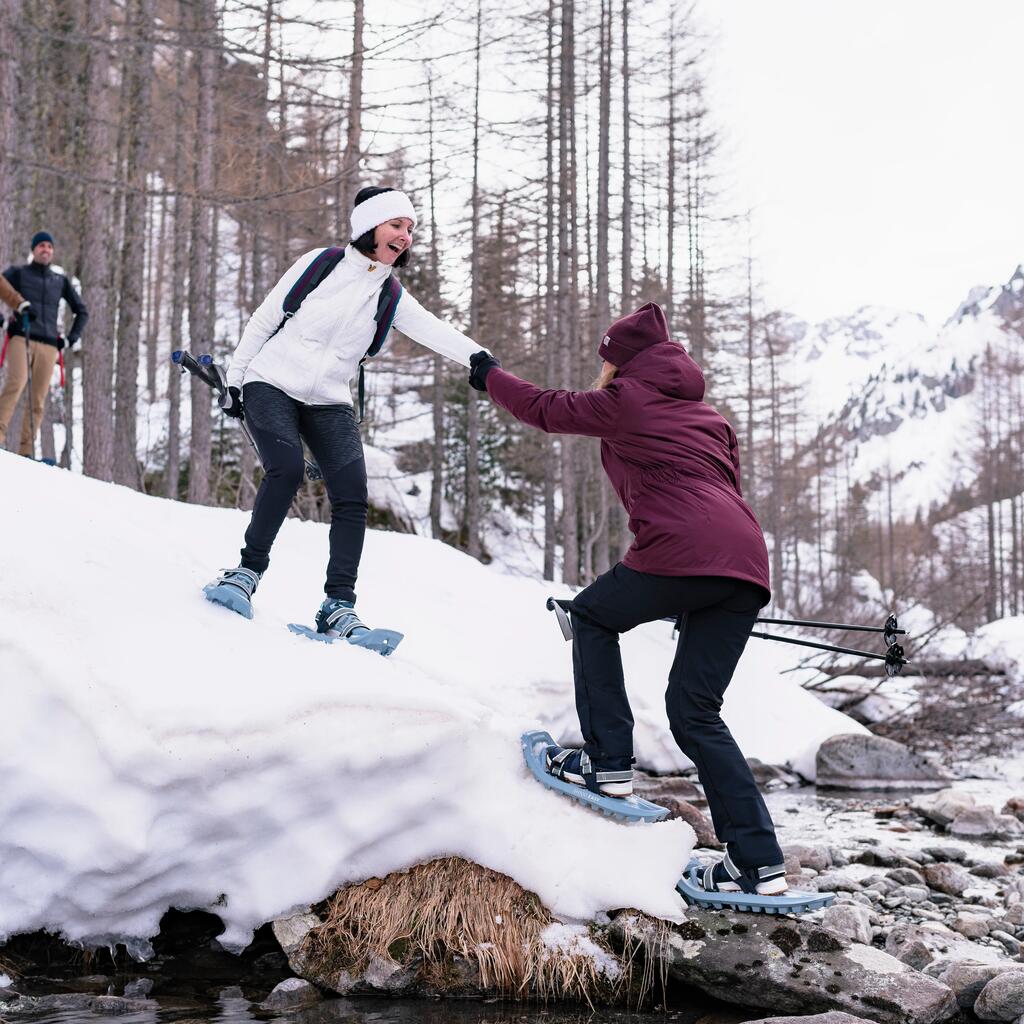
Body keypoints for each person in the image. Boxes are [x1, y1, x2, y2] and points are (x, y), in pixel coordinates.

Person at [467, 303, 788, 898]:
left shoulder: (629, 400)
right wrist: (694, 586)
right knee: (696, 714)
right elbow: (718, 495)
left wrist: (489, 373)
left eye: (606, 362)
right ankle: (758, 864)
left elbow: (544, 409)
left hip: (683, 549)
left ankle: (608, 763)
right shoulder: (710, 416)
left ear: (619, 363)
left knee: (588, 614)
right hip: (744, 562)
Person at [205, 186, 482, 638]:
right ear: (370, 226)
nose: (406, 235)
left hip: (330, 399)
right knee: (287, 468)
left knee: (352, 494)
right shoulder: (322, 264)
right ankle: (245, 573)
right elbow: (264, 317)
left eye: (411, 229)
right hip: (270, 380)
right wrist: (235, 381)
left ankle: (338, 605)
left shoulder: (390, 294)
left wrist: (479, 358)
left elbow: (435, 330)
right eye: (397, 225)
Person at [0, 231, 88, 455]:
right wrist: (2, 322)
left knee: (38, 399)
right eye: (41, 246)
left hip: (50, 345)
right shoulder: (19, 273)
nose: (46, 249)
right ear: (33, 250)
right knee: (16, 384)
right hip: (21, 337)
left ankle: (26, 451)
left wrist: (70, 339)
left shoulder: (59, 280)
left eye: (49, 246)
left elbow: (81, 311)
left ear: (53, 251)